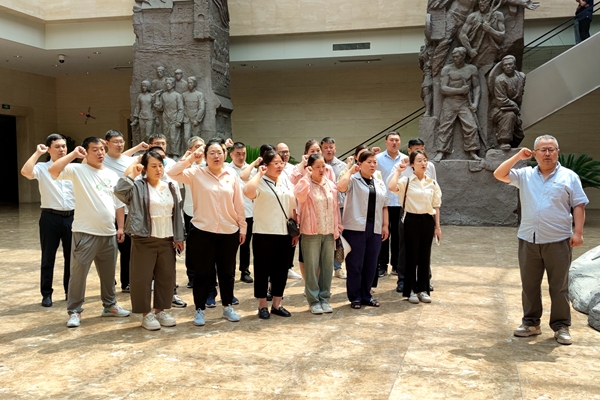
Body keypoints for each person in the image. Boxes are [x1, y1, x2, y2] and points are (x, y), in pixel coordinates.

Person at [493, 135, 588, 345]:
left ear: (557, 152)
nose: (547, 153)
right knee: (529, 285)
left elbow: (579, 205)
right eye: (543, 150)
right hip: (529, 239)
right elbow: (499, 174)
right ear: (534, 153)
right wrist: (518, 156)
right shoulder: (525, 175)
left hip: (558, 240)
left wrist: (578, 232)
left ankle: (561, 326)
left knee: (559, 286)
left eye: (551, 149)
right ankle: (531, 323)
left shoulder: (569, 176)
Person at [48, 137, 131, 328]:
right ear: (86, 151)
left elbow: (118, 203)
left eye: (102, 149)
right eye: (95, 149)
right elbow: (53, 170)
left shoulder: (111, 174)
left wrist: (120, 227)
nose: (100, 153)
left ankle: (109, 306)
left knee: (108, 275)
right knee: (78, 275)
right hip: (85, 233)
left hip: (108, 233)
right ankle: (74, 311)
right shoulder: (77, 170)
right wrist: (73, 154)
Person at [167, 138, 246, 326]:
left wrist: (242, 227)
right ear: (205, 156)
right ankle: (200, 309)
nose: (216, 156)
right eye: (212, 153)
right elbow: (172, 173)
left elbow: (238, 203)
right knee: (203, 273)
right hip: (203, 231)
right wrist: (190, 158)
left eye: (219, 152)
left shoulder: (231, 175)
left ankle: (227, 306)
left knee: (227, 273)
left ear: (224, 155)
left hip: (228, 230)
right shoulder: (196, 173)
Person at [114, 150, 185, 330]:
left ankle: (161, 310)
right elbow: (119, 191)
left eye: (160, 165)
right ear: (145, 168)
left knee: (166, 277)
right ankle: (146, 314)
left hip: (167, 238)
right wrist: (133, 173)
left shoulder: (171, 186)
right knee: (142, 278)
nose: (158, 169)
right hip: (144, 238)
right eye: (153, 166)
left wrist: (179, 237)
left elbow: (177, 214)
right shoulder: (138, 186)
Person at [21, 133, 75, 307]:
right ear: (49, 149)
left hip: (72, 217)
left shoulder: (74, 168)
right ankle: (46, 294)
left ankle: (69, 291)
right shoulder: (42, 167)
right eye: (57, 147)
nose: (61, 149)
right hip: (50, 217)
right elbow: (25, 172)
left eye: (63, 146)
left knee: (71, 258)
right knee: (48, 257)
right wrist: (37, 153)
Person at [243, 150, 297, 319]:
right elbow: (247, 192)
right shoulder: (259, 181)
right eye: (276, 163)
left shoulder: (285, 180)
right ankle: (262, 305)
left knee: (281, 270)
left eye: (281, 163)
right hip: (264, 232)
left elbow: (292, 205)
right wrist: (259, 173)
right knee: (262, 270)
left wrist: (295, 229)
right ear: (266, 165)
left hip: (284, 232)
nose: (280, 166)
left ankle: (277, 304)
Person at [337, 150, 389, 310]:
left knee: (371, 263)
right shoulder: (353, 179)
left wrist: (385, 225)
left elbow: (384, 205)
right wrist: (350, 171)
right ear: (360, 164)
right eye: (369, 162)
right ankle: (355, 297)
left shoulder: (379, 182)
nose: (373, 165)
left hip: (375, 227)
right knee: (355, 264)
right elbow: (340, 187)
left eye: (374, 162)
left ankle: (367, 295)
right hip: (355, 227)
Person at [388, 150, 442, 304]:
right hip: (411, 220)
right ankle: (410, 289)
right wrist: (398, 171)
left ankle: (423, 289)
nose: (423, 163)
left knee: (425, 256)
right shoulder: (406, 181)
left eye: (425, 160)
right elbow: (391, 187)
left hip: (428, 220)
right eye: (419, 160)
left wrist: (437, 227)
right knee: (411, 256)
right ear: (412, 164)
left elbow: (436, 206)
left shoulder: (432, 182)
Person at [294, 153, 343, 314]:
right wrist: (306, 177)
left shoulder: (330, 184)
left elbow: (335, 208)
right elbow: (299, 195)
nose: (321, 169)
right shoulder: (305, 183)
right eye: (317, 167)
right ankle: (313, 300)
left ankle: (325, 298)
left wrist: (337, 227)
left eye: (323, 166)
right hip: (310, 233)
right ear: (310, 168)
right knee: (311, 268)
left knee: (327, 267)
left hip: (328, 232)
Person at [102, 130, 149, 293]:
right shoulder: (101, 159)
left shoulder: (129, 160)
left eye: (121, 141)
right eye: (115, 142)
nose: (119, 144)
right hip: (107, 210)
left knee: (127, 249)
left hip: (127, 210)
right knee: (107, 250)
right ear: (106, 143)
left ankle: (127, 282)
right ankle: (109, 281)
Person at [433, 47, 481, 162]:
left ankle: (472, 152)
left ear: (463, 56)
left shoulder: (471, 69)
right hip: (449, 102)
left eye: (457, 56)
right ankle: (441, 151)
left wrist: (475, 103)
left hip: (464, 103)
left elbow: (476, 87)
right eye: (453, 56)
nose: (455, 59)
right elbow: (443, 88)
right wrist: (460, 90)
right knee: (445, 127)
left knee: (472, 126)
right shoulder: (447, 69)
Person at [376, 132, 408, 278]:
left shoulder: (406, 159)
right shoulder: (378, 159)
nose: (394, 143)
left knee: (398, 235)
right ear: (386, 142)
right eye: (391, 140)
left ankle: (396, 265)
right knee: (383, 234)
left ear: (400, 142)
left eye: (397, 140)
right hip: (383, 202)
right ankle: (382, 265)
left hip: (399, 203)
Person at [228, 142, 255, 284]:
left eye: (243, 153)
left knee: (246, 245)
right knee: (230, 246)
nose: (241, 157)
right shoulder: (226, 169)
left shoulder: (252, 170)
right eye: (238, 154)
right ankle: (229, 273)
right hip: (231, 214)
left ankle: (245, 271)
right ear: (231, 155)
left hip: (248, 212)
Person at [321, 137, 347, 279]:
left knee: (339, 238)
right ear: (321, 149)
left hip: (339, 207)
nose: (329, 150)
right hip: (322, 208)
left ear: (335, 148)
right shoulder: (317, 165)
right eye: (326, 147)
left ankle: (338, 267)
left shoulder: (342, 166)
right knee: (325, 237)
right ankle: (324, 267)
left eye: (331, 147)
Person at [181, 136, 205, 289]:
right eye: (197, 146)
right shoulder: (186, 167)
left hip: (207, 211)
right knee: (191, 246)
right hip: (190, 210)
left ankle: (209, 276)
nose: (200, 149)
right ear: (190, 150)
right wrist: (188, 158)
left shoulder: (209, 165)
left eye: (202, 146)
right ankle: (192, 276)